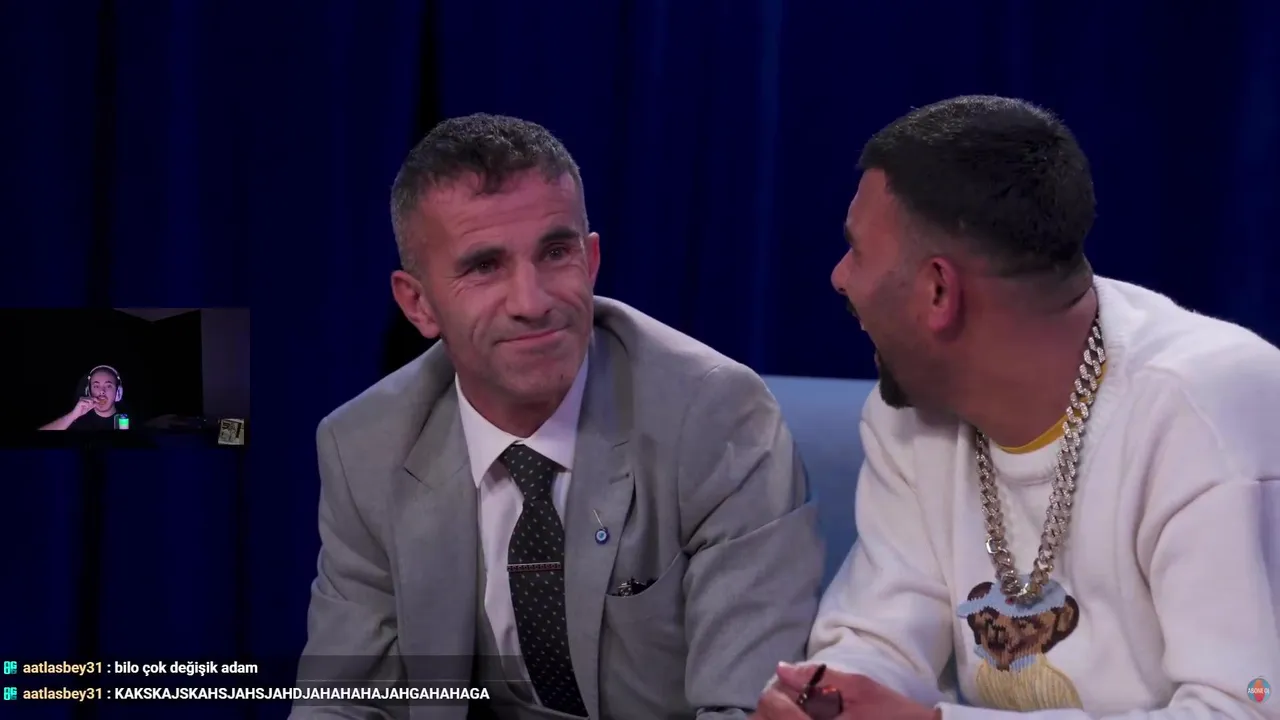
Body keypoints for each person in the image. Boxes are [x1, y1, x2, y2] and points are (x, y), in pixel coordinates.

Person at [753, 96, 1280, 719]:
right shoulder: (913, 413)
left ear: (939, 290)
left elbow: (1249, 705)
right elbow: (878, 640)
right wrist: (832, 700)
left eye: (858, 252)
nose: (840, 277)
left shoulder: (1208, 414)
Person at [292, 114, 824, 719]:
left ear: (590, 261)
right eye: (484, 266)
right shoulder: (366, 446)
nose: (532, 302)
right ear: (418, 304)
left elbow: (748, 707)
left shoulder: (715, 417)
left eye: (555, 252)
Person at [39, 365, 125, 431]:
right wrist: (73, 415)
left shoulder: (126, 421)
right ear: (88, 391)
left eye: (108, 386)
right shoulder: (76, 419)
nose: (102, 391)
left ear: (118, 392)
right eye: (96, 386)